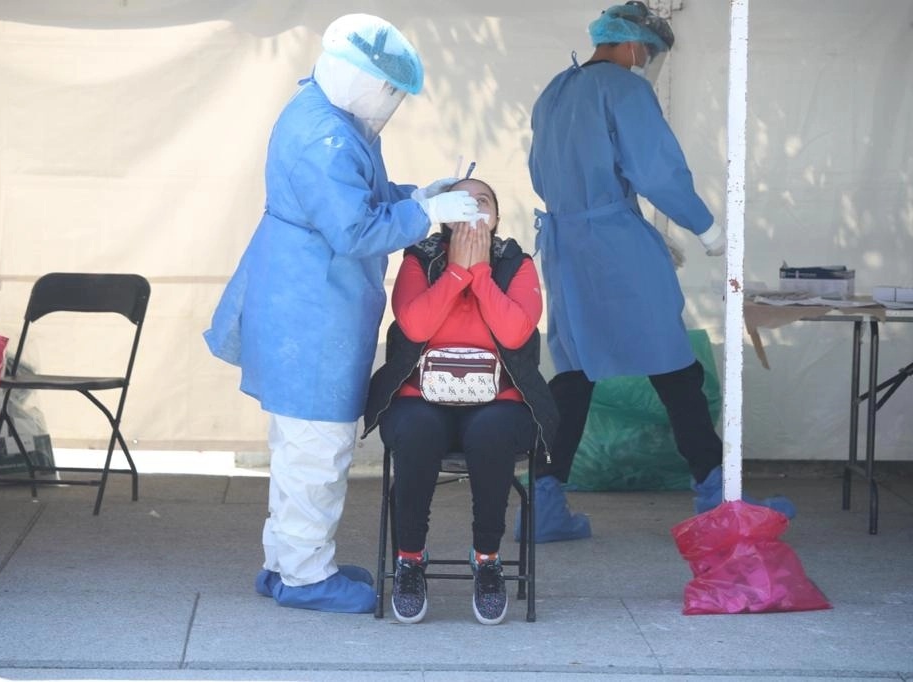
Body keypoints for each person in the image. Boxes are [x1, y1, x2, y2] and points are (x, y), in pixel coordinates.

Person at [203, 14, 480, 614]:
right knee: (317, 450)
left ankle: (284, 563)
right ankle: (305, 577)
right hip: (312, 312)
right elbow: (355, 226)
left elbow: (364, 194)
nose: (392, 105)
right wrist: (429, 216)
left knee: (296, 447)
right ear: (365, 81)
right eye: (391, 92)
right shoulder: (325, 138)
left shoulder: (322, 116)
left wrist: (419, 197)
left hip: (301, 300)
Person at [525, 1, 795, 542]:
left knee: (574, 377)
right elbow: (654, 168)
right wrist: (707, 227)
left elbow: (544, 169)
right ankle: (720, 498)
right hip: (614, 243)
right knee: (675, 367)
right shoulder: (625, 88)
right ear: (631, 45)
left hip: (564, 246)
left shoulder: (556, 89)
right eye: (648, 52)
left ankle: (541, 507)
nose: (647, 62)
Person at [363, 177, 558, 625]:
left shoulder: (517, 264)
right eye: (463, 203)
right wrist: (454, 273)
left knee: (491, 434)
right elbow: (414, 326)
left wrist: (481, 273)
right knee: (415, 431)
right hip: (419, 398)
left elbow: (513, 333)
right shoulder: (419, 259)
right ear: (445, 215)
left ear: (497, 219)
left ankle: (487, 560)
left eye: (484, 202)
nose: (474, 210)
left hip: (499, 401)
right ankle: (409, 561)